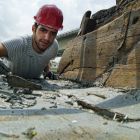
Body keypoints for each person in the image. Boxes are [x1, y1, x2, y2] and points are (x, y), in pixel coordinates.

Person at [0, 4, 63, 79]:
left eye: (53, 33)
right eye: (43, 30)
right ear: (34, 29)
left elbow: (45, 59)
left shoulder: (54, 47)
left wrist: (47, 72)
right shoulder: (18, 44)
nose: (47, 38)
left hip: (36, 85)